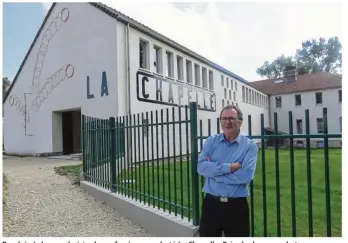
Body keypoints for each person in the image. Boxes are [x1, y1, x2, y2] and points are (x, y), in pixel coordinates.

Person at [197, 104, 258, 237]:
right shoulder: (211, 142)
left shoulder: (249, 146)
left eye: (231, 118)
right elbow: (201, 167)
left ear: (240, 122)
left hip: (236, 206)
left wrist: (215, 174)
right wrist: (230, 167)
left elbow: (246, 175)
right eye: (224, 118)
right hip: (211, 205)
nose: (227, 122)